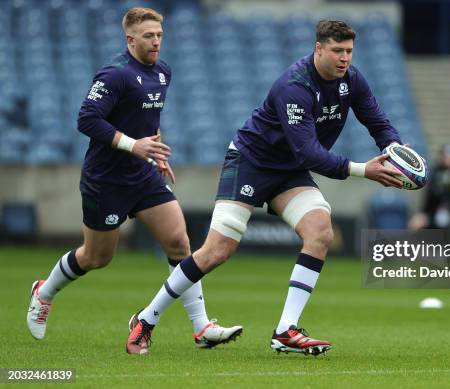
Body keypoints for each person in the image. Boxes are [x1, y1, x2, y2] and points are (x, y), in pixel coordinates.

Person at [126, 19, 406, 355]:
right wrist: (365, 170)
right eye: (337, 51)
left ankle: (286, 331)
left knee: (321, 232)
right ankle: (146, 319)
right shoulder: (295, 86)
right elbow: (309, 152)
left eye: (348, 51)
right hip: (251, 163)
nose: (344, 58)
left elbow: (378, 121)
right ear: (318, 49)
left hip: (288, 172)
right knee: (217, 252)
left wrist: (395, 151)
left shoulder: (352, 80)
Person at [26, 7, 242, 350]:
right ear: (130, 39)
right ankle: (44, 291)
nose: (156, 41)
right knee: (97, 257)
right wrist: (133, 145)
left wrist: (154, 152)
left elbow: (148, 117)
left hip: (142, 175)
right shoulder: (115, 75)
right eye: (148, 36)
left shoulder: (163, 72)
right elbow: (86, 119)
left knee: (179, 242)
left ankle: (201, 327)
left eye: (159, 35)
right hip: (106, 180)